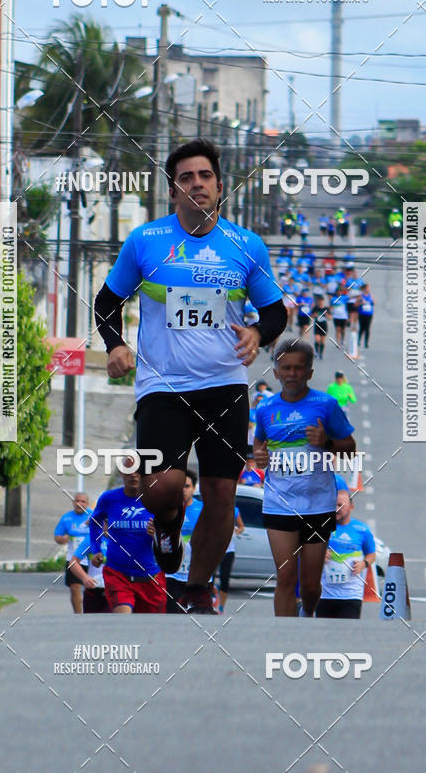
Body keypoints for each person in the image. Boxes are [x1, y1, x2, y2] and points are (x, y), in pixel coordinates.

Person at [94, 138, 286, 614]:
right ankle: (170, 525)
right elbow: (106, 301)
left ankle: (197, 587)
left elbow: (276, 312)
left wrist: (258, 334)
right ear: (173, 190)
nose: (196, 184)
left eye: (204, 176)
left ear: (220, 187)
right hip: (163, 385)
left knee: (223, 492)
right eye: (185, 178)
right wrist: (115, 344)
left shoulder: (245, 245)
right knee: (161, 487)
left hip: (224, 384)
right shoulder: (146, 241)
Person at [253, 338, 356, 617]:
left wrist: (327, 442)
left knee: (310, 586)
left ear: (310, 372)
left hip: (318, 504)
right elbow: (259, 444)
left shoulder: (326, 404)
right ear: (275, 372)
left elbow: (350, 447)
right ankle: (285, 637)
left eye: (299, 368)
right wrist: (260, 457)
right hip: (279, 503)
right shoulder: (265, 409)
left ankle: (307, 618)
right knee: (286, 577)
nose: (292, 374)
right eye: (285, 368)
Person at [89, 468, 166, 613]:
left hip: (151, 577)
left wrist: (158, 533)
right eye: (128, 471)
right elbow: (94, 522)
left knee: (150, 631)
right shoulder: (109, 498)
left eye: (138, 471)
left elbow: (172, 534)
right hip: (118, 574)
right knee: (123, 621)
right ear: (122, 473)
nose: (133, 475)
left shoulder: (157, 499)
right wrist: (96, 550)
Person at [316, 487, 375, 619]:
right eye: (334, 505)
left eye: (340, 505)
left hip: (351, 594)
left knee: (347, 633)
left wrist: (364, 563)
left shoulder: (362, 529)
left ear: (351, 507)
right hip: (324, 593)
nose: (337, 508)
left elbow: (371, 554)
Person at [165, 470, 204, 613]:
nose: (183, 490)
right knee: (174, 617)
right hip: (172, 574)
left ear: (194, 488)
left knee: (198, 619)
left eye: (187, 486)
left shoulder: (203, 510)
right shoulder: (166, 509)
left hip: (198, 575)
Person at [54, 493, 92, 614]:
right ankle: (78, 614)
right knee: (75, 587)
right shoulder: (66, 518)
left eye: (83, 501)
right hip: (73, 559)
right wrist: (62, 539)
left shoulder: (93, 516)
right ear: (73, 502)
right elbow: (57, 536)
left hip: (92, 560)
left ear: (87, 504)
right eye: (77, 501)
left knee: (93, 589)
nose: (79, 504)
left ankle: (92, 612)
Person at [69, 532, 110, 614]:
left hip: (115, 591)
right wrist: (84, 577)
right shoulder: (92, 538)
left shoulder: (123, 538)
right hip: (94, 590)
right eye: (105, 522)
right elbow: (73, 563)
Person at [215, 506, 245, 614]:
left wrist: (237, 531)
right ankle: (212, 599)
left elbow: (242, 527)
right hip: (213, 550)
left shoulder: (234, 510)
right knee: (210, 578)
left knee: (225, 579)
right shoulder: (211, 508)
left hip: (228, 551)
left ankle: (221, 607)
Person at [310, 294, 329, 360]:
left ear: (323, 301)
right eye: (319, 301)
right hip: (317, 325)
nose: (320, 302)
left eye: (321, 301)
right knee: (317, 340)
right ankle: (316, 352)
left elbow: (330, 317)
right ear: (317, 301)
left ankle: (321, 354)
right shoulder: (315, 308)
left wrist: (327, 315)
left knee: (322, 341)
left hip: (324, 326)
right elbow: (311, 316)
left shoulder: (326, 308)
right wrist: (314, 315)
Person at [330, 285, 349, 349]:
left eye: (340, 291)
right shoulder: (333, 299)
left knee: (343, 330)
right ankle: (337, 342)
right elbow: (331, 306)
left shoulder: (344, 298)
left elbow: (351, 298)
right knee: (337, 329)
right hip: (336, 316)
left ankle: (342, 339)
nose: (339, 293)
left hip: (344, 317)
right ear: (336, 292)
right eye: (338, 291)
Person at [357, 283, 375, 348]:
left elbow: (374, 303)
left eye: (369, 288)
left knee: (367, 329)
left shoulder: (371, 295)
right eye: (367, 288)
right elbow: (356, 305)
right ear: (364, 289)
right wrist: (361, 302)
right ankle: (358, 341)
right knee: (362, 328)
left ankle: (366, 343)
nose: (368, 289)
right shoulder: (360, 296)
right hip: (362, 314)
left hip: (369, 314)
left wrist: (372, 301)